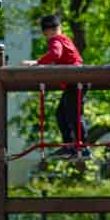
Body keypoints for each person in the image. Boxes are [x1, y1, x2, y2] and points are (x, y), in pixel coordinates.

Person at [20, 14, 87, 158]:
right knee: (62, 114)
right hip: (75, 81)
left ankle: (82, 147)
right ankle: (70, 146)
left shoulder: (55, 40)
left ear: (45, 32)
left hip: (76, 81)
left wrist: (37, 62)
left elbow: (56, 54)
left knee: (73, 115)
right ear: (60, 27)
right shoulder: (66, 39)